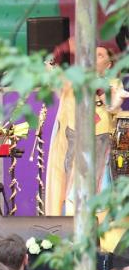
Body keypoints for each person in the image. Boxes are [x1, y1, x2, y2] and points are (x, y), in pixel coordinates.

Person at [46, 43, 123, 215]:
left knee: (100, 184)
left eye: (100, 55)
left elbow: (113, 105)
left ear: (109, 65)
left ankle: (100, 223)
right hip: (76, 139)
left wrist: (98, 86)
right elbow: (51, 74)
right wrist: (59, 52)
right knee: (72, 186)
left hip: (101, 141)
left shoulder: (114, 83)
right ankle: (71, 222)